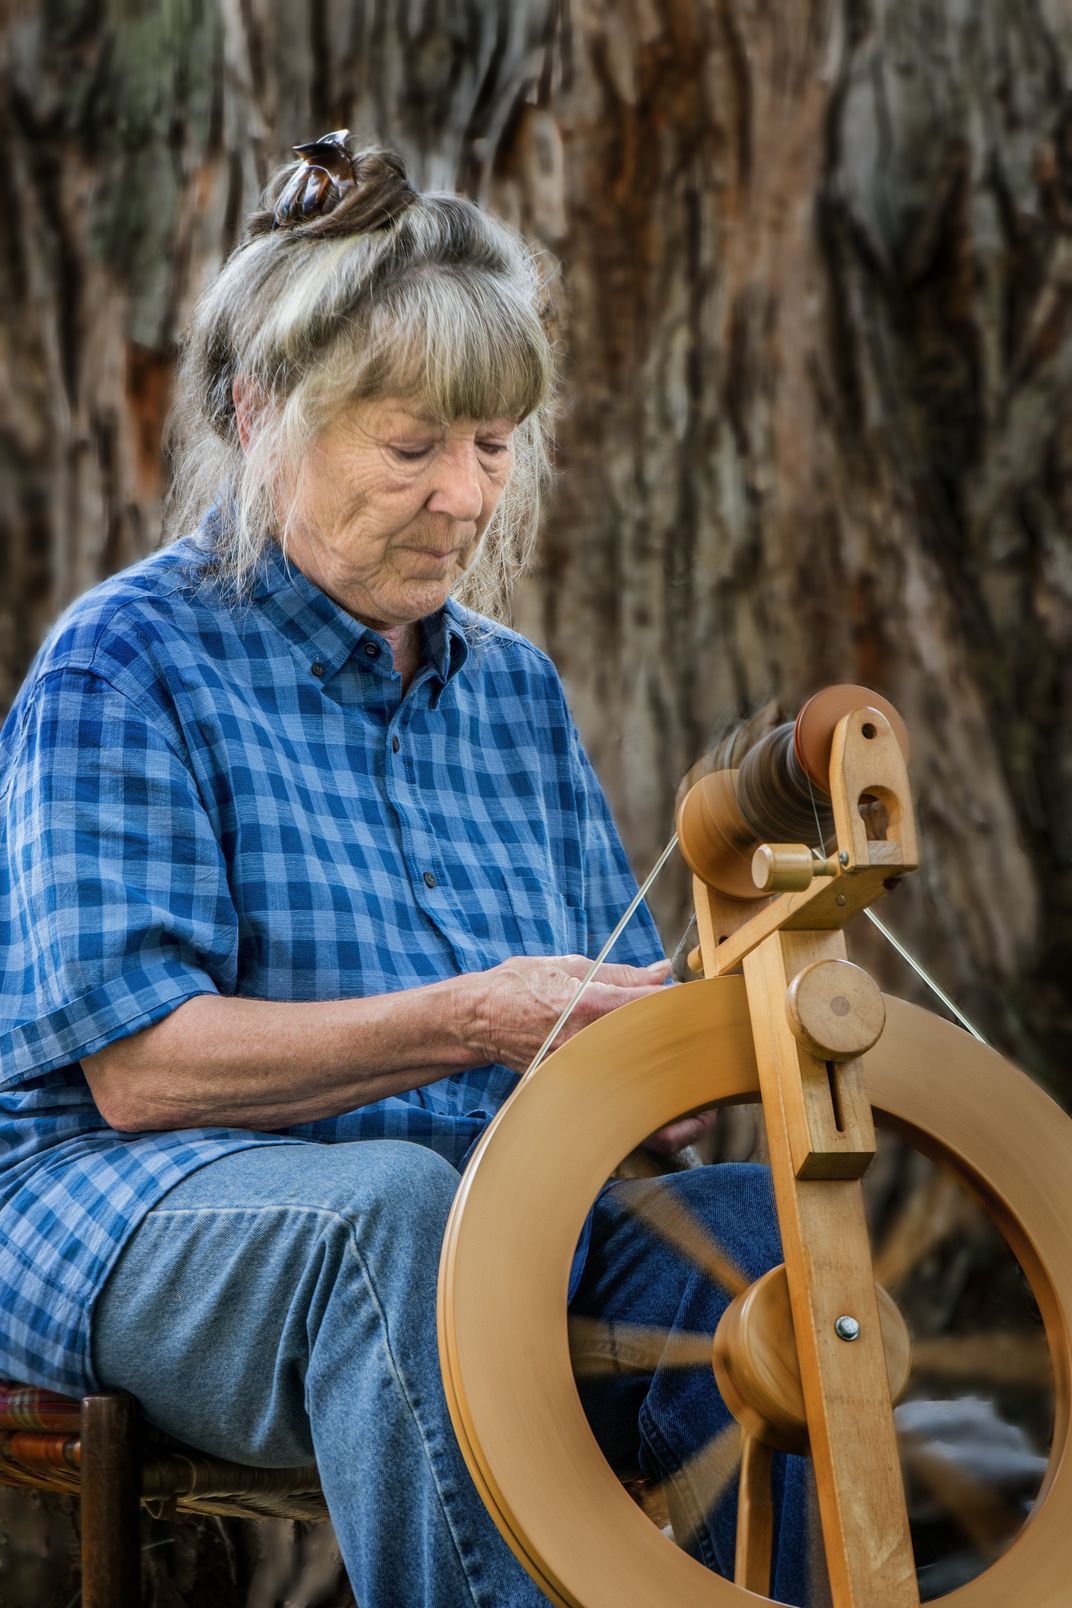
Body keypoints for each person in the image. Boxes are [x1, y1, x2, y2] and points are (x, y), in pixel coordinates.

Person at [0, 135, 809, 1605]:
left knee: (757, 1238)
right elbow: (137, 1071)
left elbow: (570, 1030)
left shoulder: (511, 692)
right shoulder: (125, 665)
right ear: (262, 415)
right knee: (388, 1213)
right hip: (138, 1219)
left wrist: (658, 1074)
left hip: (490, 1222)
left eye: (494, 442)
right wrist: (477, 1019)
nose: (464, 496)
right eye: (412, 442)